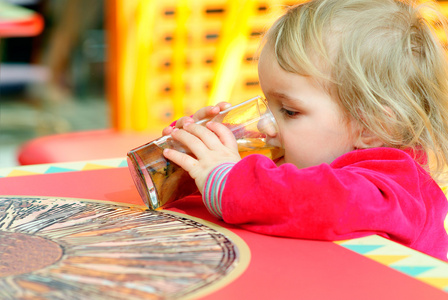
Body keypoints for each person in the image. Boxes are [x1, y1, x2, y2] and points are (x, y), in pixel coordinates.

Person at [162, 0, 448, 261]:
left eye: (289, 111)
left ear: (374, 127)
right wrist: (198, 151)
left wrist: (228, 181)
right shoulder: (313, 156)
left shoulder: (393, 187)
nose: (264, 124)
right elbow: (281, 192)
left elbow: (323, 201)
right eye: (267, 105)